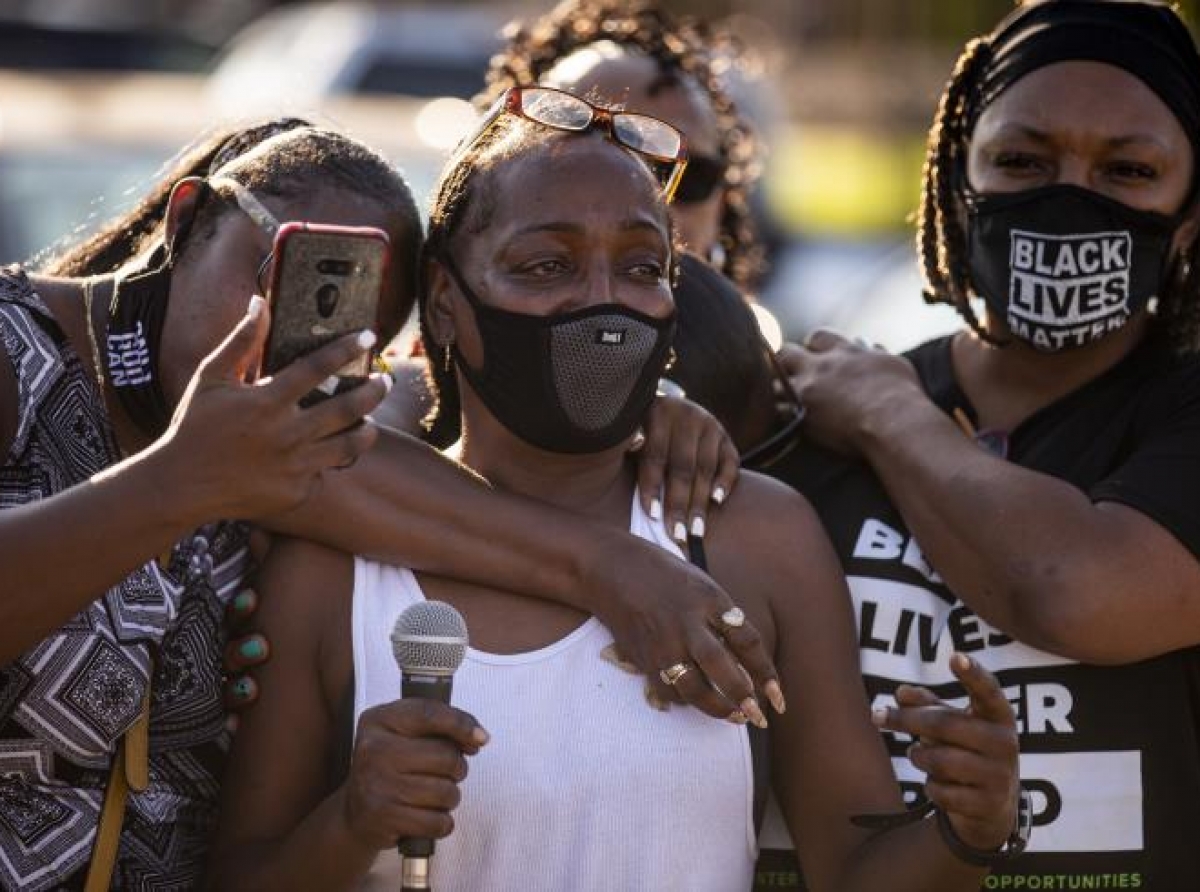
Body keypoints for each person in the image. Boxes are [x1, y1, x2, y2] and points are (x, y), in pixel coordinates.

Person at [210, 86, 1022, 892]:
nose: (603, 299)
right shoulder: (332, 568)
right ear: (446, 303)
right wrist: (351, 824)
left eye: (642, 266)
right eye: (547, 265)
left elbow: (854, 870)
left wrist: (967, 832)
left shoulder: (756, 539)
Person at [0, 122, 774, 890]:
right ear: (188, 218)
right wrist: (178, 482)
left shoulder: (306, 448)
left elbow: (454, 430)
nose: (288, 336)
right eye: (285, 271)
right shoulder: (18, 352)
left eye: (346, 315)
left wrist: (648, 410)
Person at [771, 1, 1200, 885]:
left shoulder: (867, 404)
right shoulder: (811, 412)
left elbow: (1077, 591)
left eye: (1128, 169)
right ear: (958, 180)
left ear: (1188, 215)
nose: (1067, 195)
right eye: (1020, 160)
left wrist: (892, 420)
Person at [481, 0, 765, 291]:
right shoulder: (454, 328)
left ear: (721, 207)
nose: (648, 208)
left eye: (690, 178)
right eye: (590, 166)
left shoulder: (752, 336)